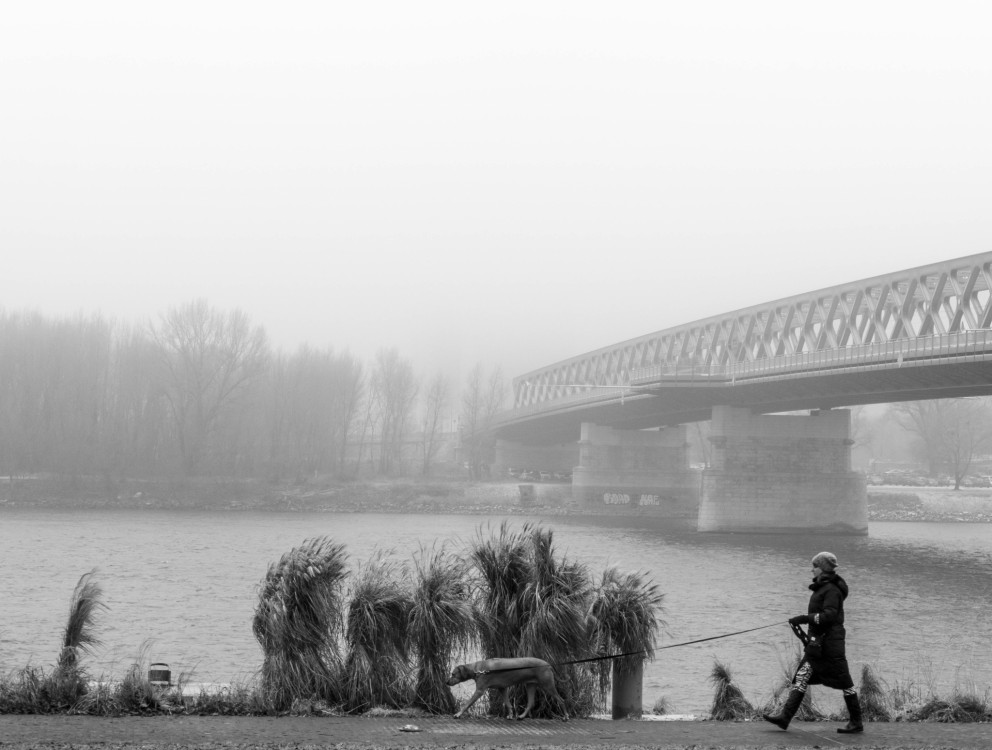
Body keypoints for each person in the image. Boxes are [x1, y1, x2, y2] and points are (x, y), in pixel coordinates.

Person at [762, 551, 863, 734]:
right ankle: (785, 718)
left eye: (814, 566)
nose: (812, 570)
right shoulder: (824, 588)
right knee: (801, 676)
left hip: (831, 644)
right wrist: (804, 620)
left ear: (822, 569)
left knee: (846, 683)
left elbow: (830, 616)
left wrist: (804, 618)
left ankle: (856, 722)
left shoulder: (831, 590)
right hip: (818, 645)